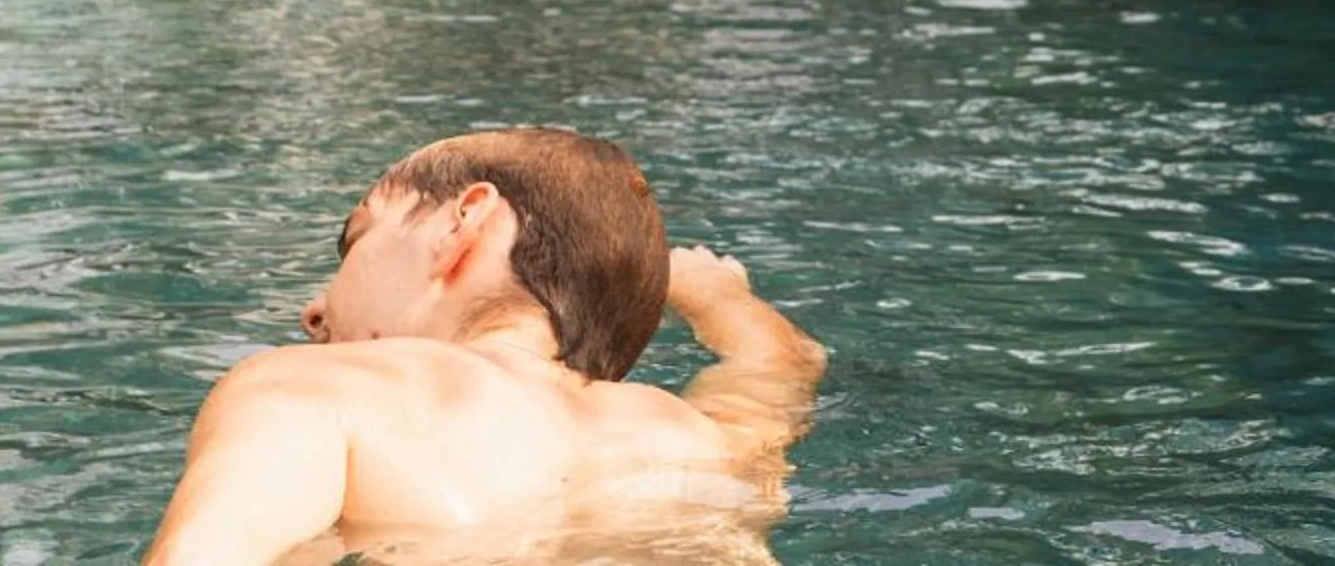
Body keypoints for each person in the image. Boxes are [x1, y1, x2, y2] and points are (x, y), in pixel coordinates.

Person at [144, 127, 827, 565]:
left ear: (462, 219)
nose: (314, 310)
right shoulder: (699, 443)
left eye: (355, 240)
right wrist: (714, 294)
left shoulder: (323, 391)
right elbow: (784, 367)